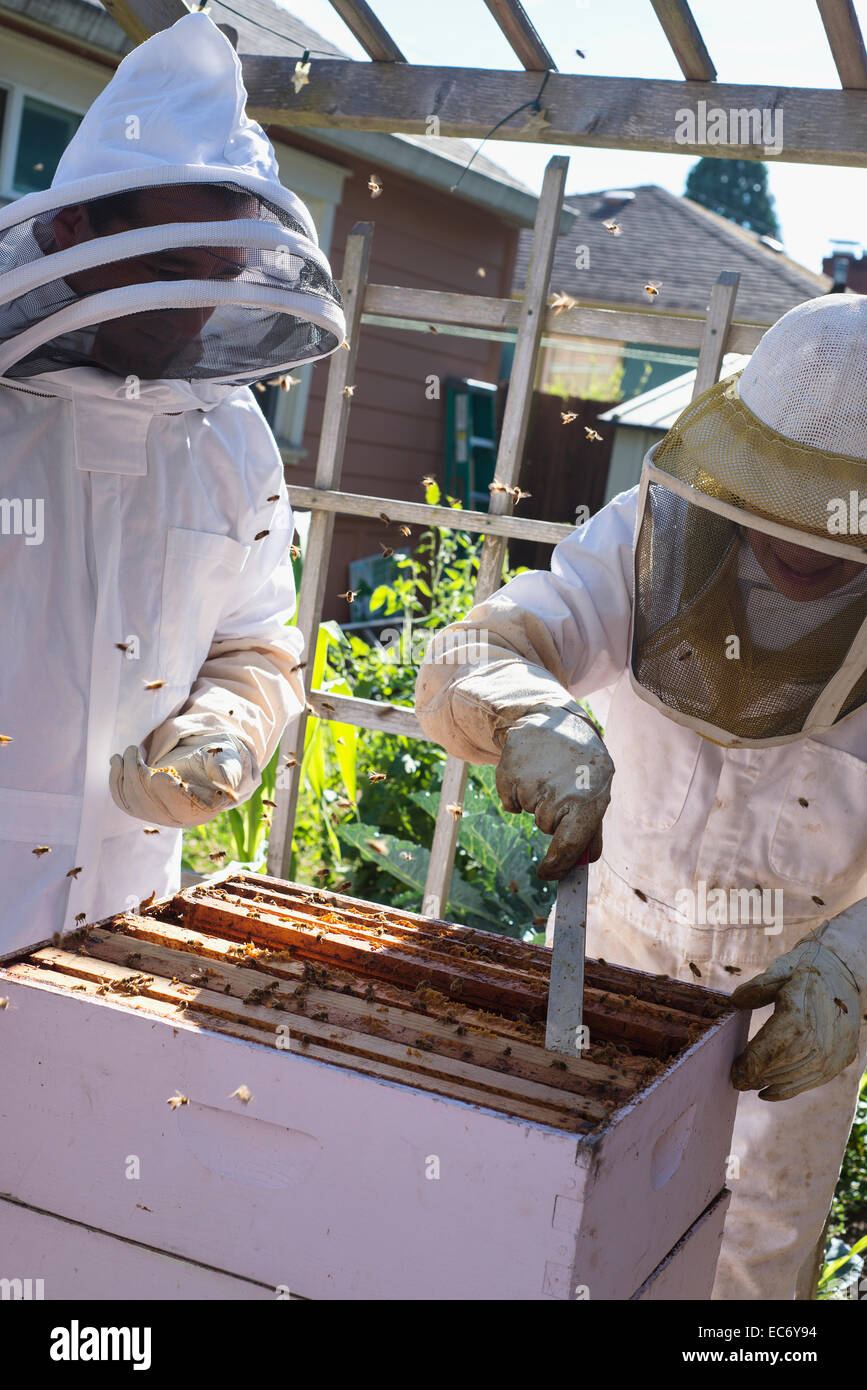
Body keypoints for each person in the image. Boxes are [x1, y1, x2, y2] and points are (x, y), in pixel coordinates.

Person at [416, 293, 867, 1300]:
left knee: (744, 1278)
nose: (802, 530)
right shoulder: (648, 536)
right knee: (553, 1242)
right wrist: (528, 712)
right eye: (780, 486)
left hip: (797, 1018)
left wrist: (853, 964)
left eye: (836, 503)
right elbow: (474, 649)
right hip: (607, 973)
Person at [0, 13, 345, 958]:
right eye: (166, 266)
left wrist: (227, 724)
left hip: (124, 914)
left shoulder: (234, 440)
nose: (193, 304)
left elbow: (256, 641)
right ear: (71, 229)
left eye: (222, 273)